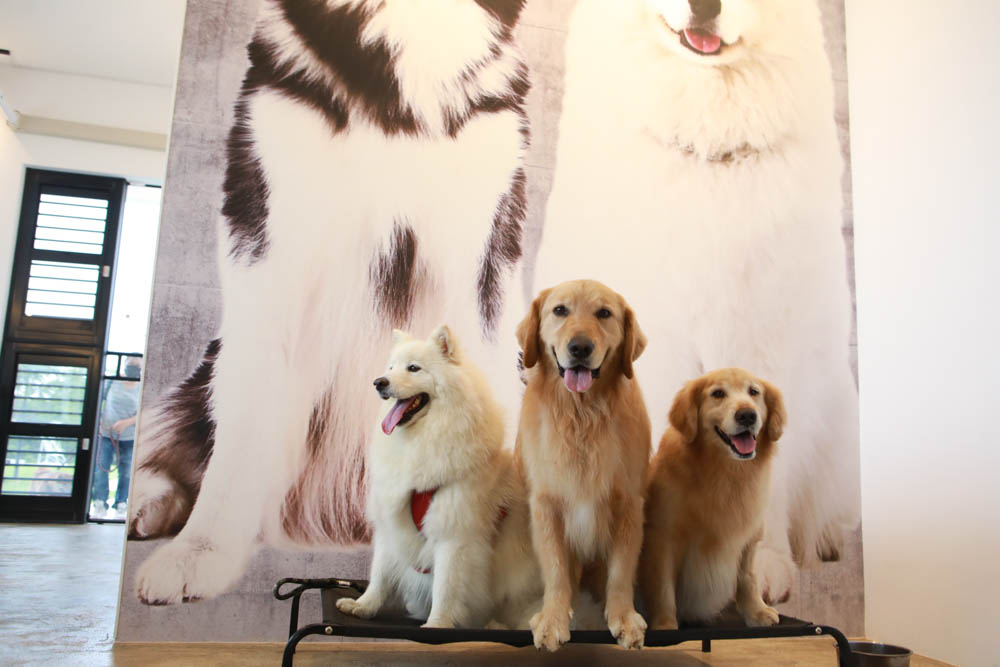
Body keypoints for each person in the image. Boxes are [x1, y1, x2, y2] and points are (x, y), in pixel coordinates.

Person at [90, 356, 142, 520]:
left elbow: (145, 412)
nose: (133, 366)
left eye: (137, 364)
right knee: (101, 469)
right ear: (124, 363)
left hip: (129, 437)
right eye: (131, 363)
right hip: (106, 435)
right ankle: (99, 503)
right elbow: (98, 400)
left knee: (126, 472)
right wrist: (98, 420)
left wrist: (127, 422)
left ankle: (121, 503)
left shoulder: (142, 386)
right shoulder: (112, 382)